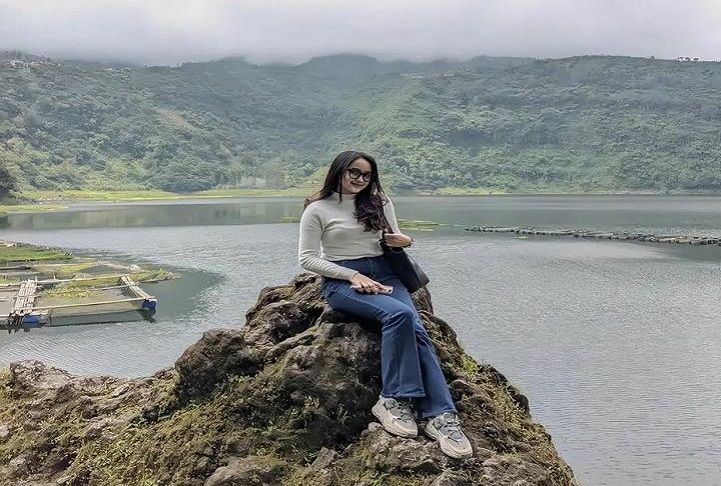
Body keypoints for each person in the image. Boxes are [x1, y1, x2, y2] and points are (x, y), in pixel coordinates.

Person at [298, 150, 473, 459]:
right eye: (354, 172)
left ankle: (442, 416)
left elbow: (395, 238)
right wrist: (353, 276)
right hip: (342, 280)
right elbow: (307, 259)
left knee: (416, 330)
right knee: (401, 315)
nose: (360, 179)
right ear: (339, 171)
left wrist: (406, 241)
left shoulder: (379, 203)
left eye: (366, 175)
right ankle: (393, 400)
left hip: (387, 272)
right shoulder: (317, 209)